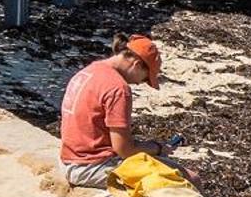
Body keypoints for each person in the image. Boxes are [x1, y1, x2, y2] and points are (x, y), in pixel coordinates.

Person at [59, 35, 175, 188]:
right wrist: (157, 148)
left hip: (69, 161)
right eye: (145, 78)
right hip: (92, 167)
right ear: (136, 64)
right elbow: (124, 150)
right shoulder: (118, 89)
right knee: (185, 178)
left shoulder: (89, 71)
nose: (140, 83)